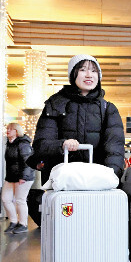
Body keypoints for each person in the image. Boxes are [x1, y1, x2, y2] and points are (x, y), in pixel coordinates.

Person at [28, 55, 125, 184]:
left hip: (97, 183)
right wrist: (62, 145)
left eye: (94, 71)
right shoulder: (55, 104)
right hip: (63, 183)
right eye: (83, 70)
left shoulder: (108, 109)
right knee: (66, 206)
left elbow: (115, 150)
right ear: (73, 74)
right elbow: (41, 145)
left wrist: (110, 179)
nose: (89, 75)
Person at [2, 123, 35, 234]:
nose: (8, 131)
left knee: (20, 200)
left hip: (24, 177)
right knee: (6, 199)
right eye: (7, 129)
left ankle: (23, 224)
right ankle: (13, 222)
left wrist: (23, 177)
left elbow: (28, 161)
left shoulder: (23, 144)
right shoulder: (9, 143)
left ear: (17, 131)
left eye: (11, 129)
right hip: (11, 177)